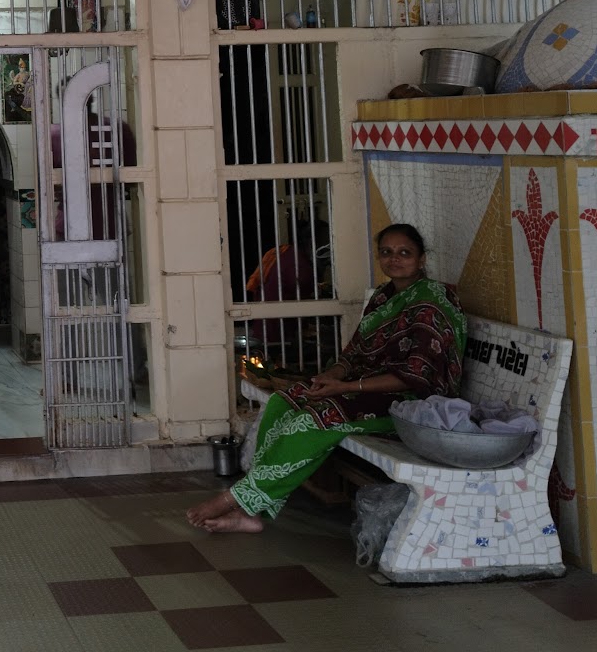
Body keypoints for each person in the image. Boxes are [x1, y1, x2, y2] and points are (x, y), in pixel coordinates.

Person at [188, 223, 465, 534]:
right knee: (284, 401)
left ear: (422, 258)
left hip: (411, 404)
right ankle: (254, 507)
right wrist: (331, 377)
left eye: (405, 253)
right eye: (387, 252)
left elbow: (417, 377)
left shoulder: (430, 303)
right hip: (365, 389)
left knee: (313, 420)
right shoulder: (384, 297)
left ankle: (236, 500)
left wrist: (345, 387)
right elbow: (354, 354)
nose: (394, 259)